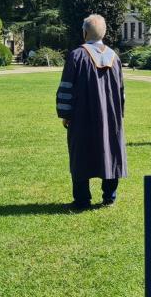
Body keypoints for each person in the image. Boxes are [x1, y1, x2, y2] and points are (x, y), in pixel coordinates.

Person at [56, 14, 126, 210]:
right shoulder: (115, 57)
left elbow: (66, 87)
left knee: (81, 154)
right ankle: (109, 197)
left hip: (82, 116)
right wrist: (119, 115)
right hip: (111, 117)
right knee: (110, 151)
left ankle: (82, 200)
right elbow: (121, 91)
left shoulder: (77, 55)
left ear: (85, 32)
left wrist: (65, 114)